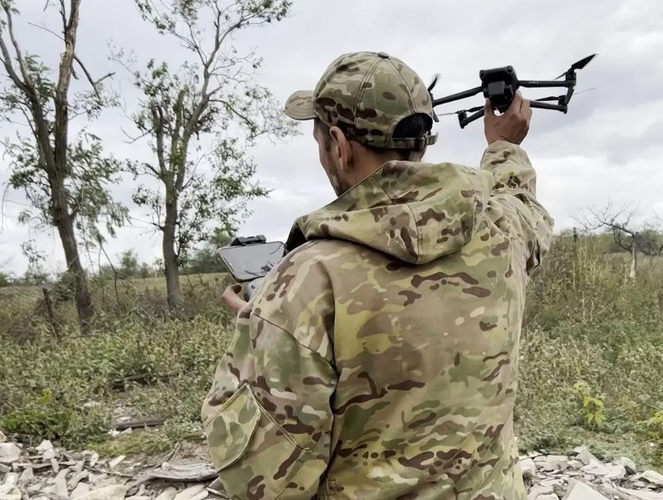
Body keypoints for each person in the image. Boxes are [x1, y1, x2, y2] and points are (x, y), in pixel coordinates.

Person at [201, 51, 554, 500]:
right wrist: (504, 145)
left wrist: (262, 330)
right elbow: (526, 208)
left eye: (319, 143)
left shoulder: (308, 281)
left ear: (339, 145)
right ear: (419, 142)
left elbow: (267, 483)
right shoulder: (503, 231)